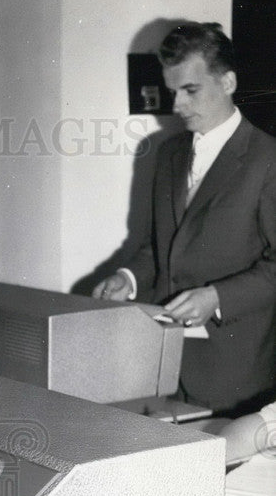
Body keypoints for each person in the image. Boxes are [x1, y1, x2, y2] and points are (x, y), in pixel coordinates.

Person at [93, 22, 276, 417]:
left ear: (227, 82)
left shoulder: (267, 160)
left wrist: (217, 297)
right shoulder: (167, 154)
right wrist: (128, 278)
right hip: (163, 364)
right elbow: (159, 248)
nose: (177, 105)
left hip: (235, 376)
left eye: (190, 90)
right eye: (173, 91)